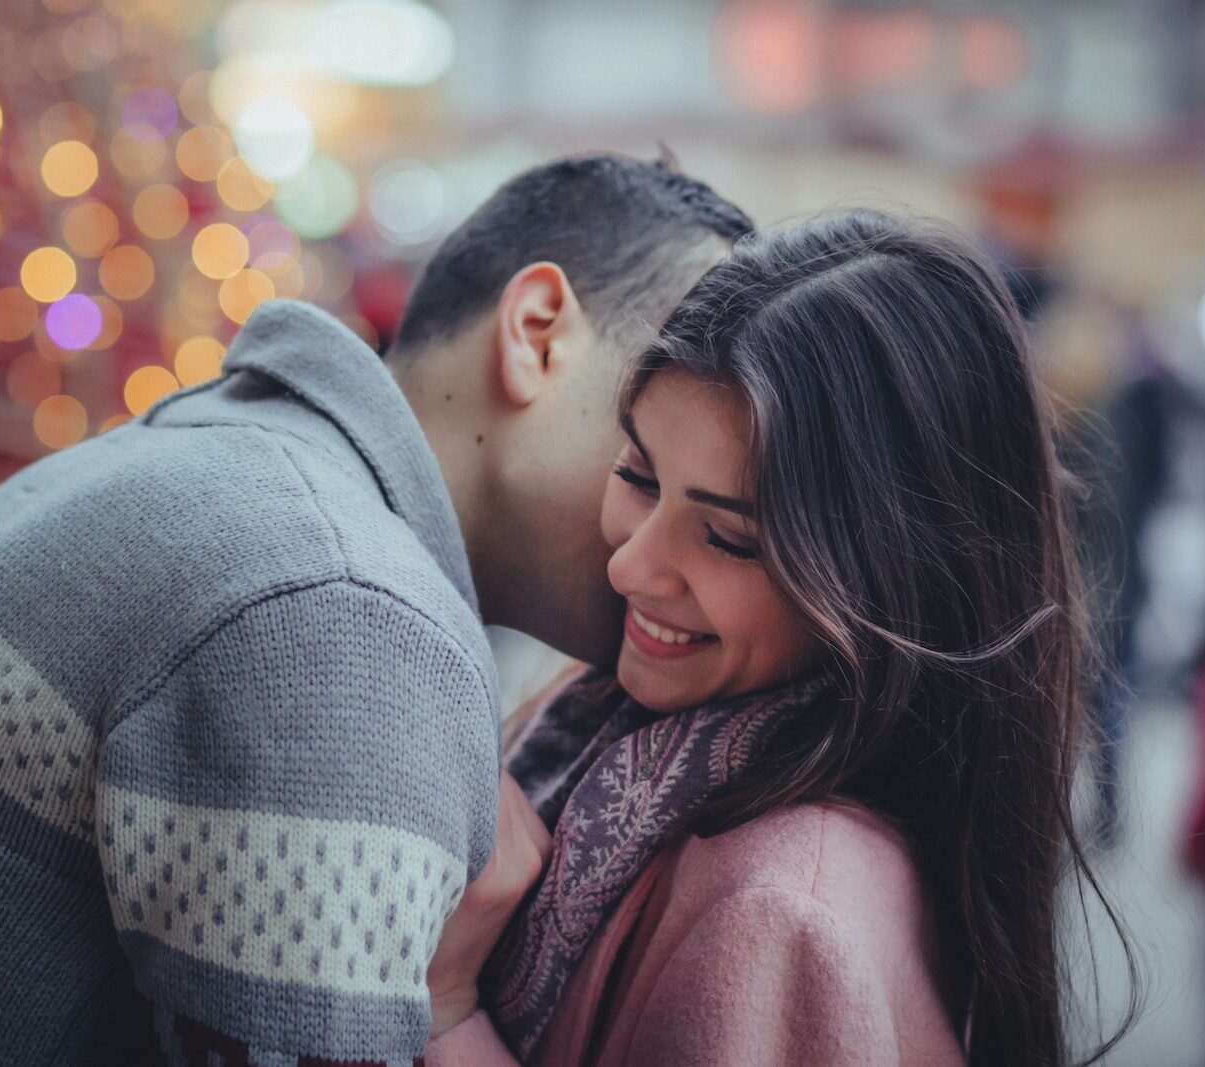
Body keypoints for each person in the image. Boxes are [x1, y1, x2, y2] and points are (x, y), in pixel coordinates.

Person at [0, 154, 750, 1063]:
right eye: (655, 434)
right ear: (537, 331)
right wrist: (449, 1012)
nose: (689, 506)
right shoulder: (339, 607)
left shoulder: (217, 468)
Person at [426, 210, 1136, 1066]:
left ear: (892, 578)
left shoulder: (785, 907)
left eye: (730, 539)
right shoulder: (620, 730)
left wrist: (446, 1009)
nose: (631, 569)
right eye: (640, 476)